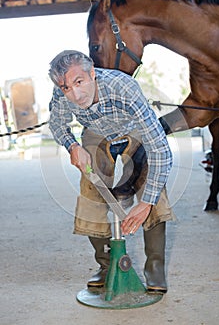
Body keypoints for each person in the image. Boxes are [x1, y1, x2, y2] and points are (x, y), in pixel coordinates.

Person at [48, 50, 174, 294]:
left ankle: (155, 267)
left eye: (79, 82)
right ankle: (106, 265)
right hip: (97, 134)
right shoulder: (61, 93)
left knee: (154, 188)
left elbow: (161, 149)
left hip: (134, 132)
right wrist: (72, 145)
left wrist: (146, 202)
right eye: (66, 88)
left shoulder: (123, 87)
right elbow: (57, 124)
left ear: (92, 74)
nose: (74, 94)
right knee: (90, 192)